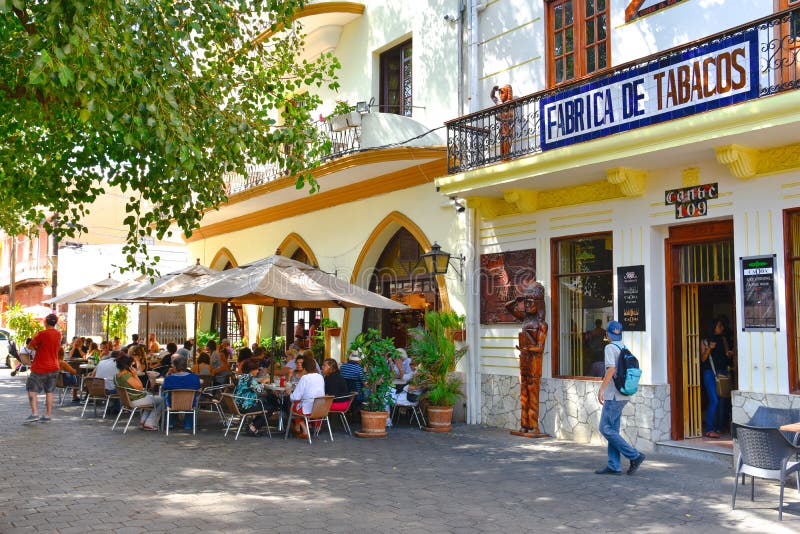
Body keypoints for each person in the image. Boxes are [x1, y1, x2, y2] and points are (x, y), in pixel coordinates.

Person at [595, 321, 645, 476]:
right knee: (613, 429)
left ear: (608, 334)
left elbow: (611, 369)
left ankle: (634, 456)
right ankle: (614, 465)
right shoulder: (623, 346)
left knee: (605, 428)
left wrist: (601, 389)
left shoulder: (610, 347)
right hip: (623, 394)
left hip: (613, 395)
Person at [23, 313, 62, 423]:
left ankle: (35, 413)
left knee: (31, 389)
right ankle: (48, 415)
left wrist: (38, 347)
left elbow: (30, 346)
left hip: (40, 367)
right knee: (49, 392)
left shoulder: (41, 334)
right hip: (54, 366)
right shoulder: (58, 334)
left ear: (45, 322)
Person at [700, 318, 734, 439]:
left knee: (722, 401)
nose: (722, 328)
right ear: (713, 327)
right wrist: (709, 348)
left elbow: (726, 355)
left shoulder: (724, 339)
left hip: (723, 373)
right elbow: (703, 359)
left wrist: (730, 354)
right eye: (720, 326)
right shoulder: (704, 341)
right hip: (710, 373)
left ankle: (719, 428)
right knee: (714, 400)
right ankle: (709, 429)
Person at [113, 354, 163, 430]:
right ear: (128, 365)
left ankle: (144, 420)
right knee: (162, 400)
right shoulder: (126, 376)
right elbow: (139, 387)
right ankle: (150, 423)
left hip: (127, 400)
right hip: (135, 400)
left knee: (151, 397)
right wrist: (135, 375)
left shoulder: (116, 376)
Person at [234, 359, 279, 436]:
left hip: (238, 405)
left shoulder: (243, 377)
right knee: (271, 407)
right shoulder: (250, 379)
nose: (258, 371)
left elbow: (253, 385)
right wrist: (264, 381)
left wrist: (260, 381)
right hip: (246, 406)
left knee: (268, 402)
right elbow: (259, 390)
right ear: (252, 370)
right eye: (257, 369)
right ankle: (253, 427)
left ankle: (252, 426)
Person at [287, 356, 325, 439]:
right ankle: (304, 428)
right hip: (320, 408)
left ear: (304, 368)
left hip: (308, 409)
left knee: (292, 407)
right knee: (298, 404)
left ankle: (305, 430)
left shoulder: (305, 378)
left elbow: (295, 397)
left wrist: (289, 393)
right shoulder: (320, 377)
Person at [162, 356, 201, 431]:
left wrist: (168, 374)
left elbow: (164, 388)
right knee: (193, 397)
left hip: (172, 404)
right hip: (190, 405)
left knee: (166, 395)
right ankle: (188, 424)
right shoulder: (195, 377)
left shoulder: (169, 378)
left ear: (175, 367)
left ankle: (170, 422)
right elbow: (198, 388)